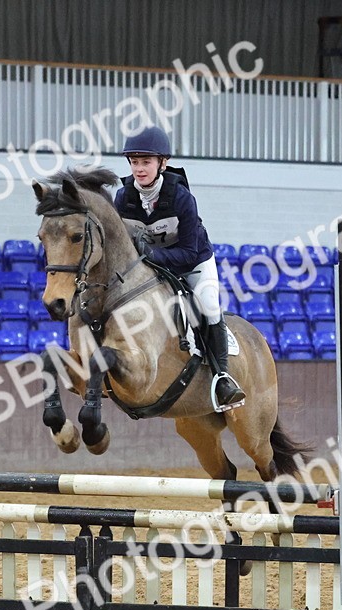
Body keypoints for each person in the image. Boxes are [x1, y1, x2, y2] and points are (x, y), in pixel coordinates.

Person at [113, 126, 245, 410]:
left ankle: (223, 377)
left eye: (145, 162)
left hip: (193, 262)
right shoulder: (123, 199)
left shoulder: (182, 198)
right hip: (150, 270)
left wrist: (152, 255)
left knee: (209, 305)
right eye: (134, 162)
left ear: (163, 163)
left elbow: (188, 253)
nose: (139, 168)